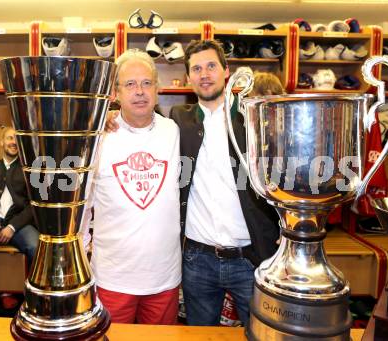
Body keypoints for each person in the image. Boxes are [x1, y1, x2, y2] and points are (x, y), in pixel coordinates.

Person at [168, 40, 280, 326]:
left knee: (259, 332)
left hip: (250, 256)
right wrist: (114, 118)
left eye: (211, 66)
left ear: (226, 70)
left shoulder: (253, 116)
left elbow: (278, 173)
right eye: (196, 68)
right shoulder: (179, 119)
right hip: (197, 257)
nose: (204, 74)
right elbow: (143, 126)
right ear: (189, 77)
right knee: (199, 334)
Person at [80, 49, 181, 325]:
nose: (140, 91)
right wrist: (80, 255)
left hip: (165, 277)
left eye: (147, 83)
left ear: (157, 90)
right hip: (113, 276)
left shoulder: (173, 130)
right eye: (131, 84)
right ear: (115, 93)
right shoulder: (99, 136)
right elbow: (83, 202)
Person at [0, 127, 39, 310]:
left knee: (36, 247)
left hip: (19, 224)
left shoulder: (30, 170)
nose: (13, 142)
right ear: (2, 142)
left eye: (17, 139)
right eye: (10, 138)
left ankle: (33, 299)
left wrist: (12, 227)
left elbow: (33, 205)